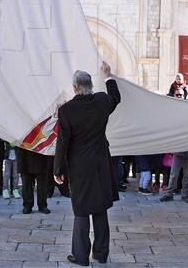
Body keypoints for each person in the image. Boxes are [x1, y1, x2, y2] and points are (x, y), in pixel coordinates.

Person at [54, 62, 120, 266]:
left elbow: (62, 143)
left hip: (79, 166)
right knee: (100, 207)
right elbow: (115, 97)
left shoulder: (66, 110)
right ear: (90, 85)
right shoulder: (101, 101)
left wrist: (58, 169)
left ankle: (81, 256)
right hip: (101, 162)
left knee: (82, 209)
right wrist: (108, 76)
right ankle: (100, 254)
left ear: (74, 87)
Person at [159, 90, 188, 203]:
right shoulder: (173, 111)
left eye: (181, 95)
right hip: (178, 150)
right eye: (177, 95)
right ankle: (169, 193)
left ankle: (185, 195)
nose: (179, 96)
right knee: (174, 174)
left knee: (187, 175)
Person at [18, 147, 51, 214]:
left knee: (42, 184)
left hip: (41, 151)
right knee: (26, 183)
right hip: (25, 152)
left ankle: (42, 205)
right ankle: (27, 205)